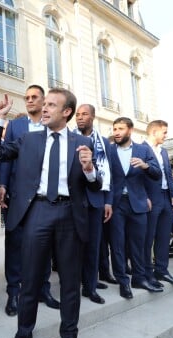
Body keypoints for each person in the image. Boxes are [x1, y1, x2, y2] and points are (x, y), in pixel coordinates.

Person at [0, 89, 102, 338]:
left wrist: (89, 168)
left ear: (67, 112)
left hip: (69, 215)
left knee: (69, 283)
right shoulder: (28, 138)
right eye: (44, 103)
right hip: (37, 212)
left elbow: (95, 184)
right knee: (30, 282)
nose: (44, 108)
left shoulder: (83, 142)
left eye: (52, 105)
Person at [0, 85, 59, 316]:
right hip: (18, 194)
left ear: (44, 101)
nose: (30, 101)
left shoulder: (51, 124)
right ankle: (14, 291)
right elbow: (5, 158)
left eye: (35, 97)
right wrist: (3, 184)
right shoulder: (15, 125)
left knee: (43, 244)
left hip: (45, 197)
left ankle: (43, 288)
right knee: (15, 244)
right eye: (27, 98)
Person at [107, 117, 163, 299]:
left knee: (138, 244)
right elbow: (105, 179)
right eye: (114, 128)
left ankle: (139, 278)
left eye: (120, 129)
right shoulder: (108, 150)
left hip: (138, 203)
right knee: (117, 245)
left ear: (130, 130)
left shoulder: (142, 149)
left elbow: (157, 174)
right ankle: (123, 282)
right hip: (116, 204)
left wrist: (146, 166)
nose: (116, 132)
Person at [74, 104, 112, 304]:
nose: (80, 118)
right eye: (77, 114)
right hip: (73, 201)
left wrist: (108, 201)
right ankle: (73, 284)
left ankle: (90, 286)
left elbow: (110, 175)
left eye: (84, 114)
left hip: (96, 200)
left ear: (93, 117)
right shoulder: (70, 139)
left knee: (93, 247)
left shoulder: (104, 143)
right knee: (73, 247)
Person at [143, 120, 173, 284]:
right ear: (154, 132)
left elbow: (168, 173)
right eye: (164, 132)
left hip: (167, 197)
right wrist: (143, 196)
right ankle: (147, 272)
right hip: (150, 199)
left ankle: (162, 271)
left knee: (163, 236)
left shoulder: (164, 151)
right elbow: (137, 176)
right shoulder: (140, 148)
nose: (166, 135)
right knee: (148, 237)